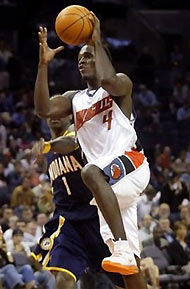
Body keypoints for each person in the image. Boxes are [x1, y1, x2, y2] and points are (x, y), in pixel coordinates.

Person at [34, 13, 150, 289]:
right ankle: (124, 252)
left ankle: (120, 247)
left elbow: (108, 82)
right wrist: (43, 66)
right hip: (108, 192)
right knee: (129, 271)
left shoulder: (120, 84)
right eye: (80, 59)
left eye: (88, 56)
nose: (83, 61)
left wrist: (95, 39)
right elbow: (43, 110)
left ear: (101, 57)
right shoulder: (75, 100)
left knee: (90, 171)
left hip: (131, 165)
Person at [30, 116, 124, 289]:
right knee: (64, 277)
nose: (53, 116)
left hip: (97, 219)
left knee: (126, 282)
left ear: (68, 114)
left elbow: (72, 142)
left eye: (58, 112)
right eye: (50, 113)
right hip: (68, 222)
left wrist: (49, 146)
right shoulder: (49, 153)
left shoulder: (78, 134)